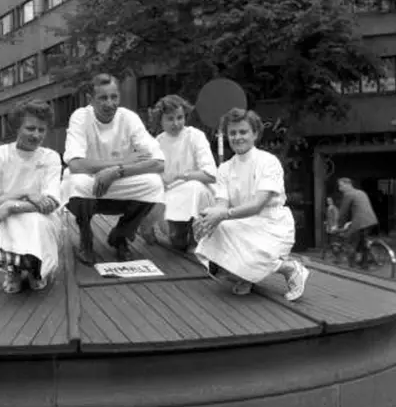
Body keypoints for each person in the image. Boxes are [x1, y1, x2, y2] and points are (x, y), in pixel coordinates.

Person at [193, 108, 309, 301]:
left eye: (243, 132)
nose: (237, 137)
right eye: (233, 133)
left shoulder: (268, 162)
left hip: (271, 224)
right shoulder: (225, 168)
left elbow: (257, 205)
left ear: (255, 134)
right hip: (241, 222)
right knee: (212, 230)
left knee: (233, 235)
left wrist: (222, 215)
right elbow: (221, 205)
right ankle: (244, 275)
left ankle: (290, 268)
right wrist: (207, 218)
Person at [63, 73, 165, 264]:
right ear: (90, 99)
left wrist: (117, 171)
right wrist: (122, 162)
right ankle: (86, 236)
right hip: (91, 183)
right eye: (103, 98)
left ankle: (120, 236)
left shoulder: (129, 118)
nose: (110, 104)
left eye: (114, 97)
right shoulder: (80, 117)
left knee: (154, 184)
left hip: (119, 182)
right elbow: (75, 164)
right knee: (75, 182)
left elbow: (159, 162)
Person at [0, 99, 62, 295]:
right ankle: (12, 270)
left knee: (32, 219)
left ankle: (35, 269)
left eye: (41, 130)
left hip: (41, 219)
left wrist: (9, 207)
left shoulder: (51, 157)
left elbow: (51, 202)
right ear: (17, 127)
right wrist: (22, 194)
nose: (36, 135)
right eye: (30, 128)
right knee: (9, 221)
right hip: (2, 220)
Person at [139, 94, 216, 250]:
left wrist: (182, 176)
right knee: (177, 243)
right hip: (171, 198)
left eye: (180, 117)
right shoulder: (158, 142)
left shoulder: (195, 136)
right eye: (170, 119)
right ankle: (172, 229)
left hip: (199, 195)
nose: (176, 123)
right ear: (160, 120)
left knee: (194, 187)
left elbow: (211, 175)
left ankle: (196, 235)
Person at [336, 177, 378, 267]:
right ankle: (364, 263)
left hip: (360, 222)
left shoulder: (348, 194)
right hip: (371, 220)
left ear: (348, 185)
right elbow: (360, 209)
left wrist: (339, 226)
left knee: (349, 241)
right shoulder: (361, 192)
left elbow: (343, 212)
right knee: (362, 242)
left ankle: (352, 266)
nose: (339, 188)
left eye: (341, 186)